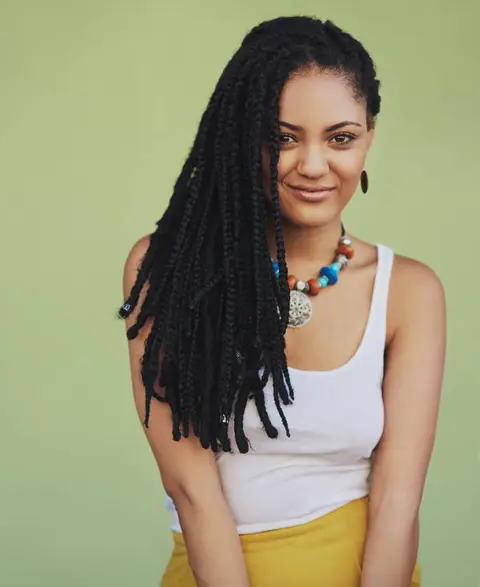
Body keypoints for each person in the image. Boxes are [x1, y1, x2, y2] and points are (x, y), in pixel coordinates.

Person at [120, 15, 445, 587]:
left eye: (340, 138)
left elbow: (398, 502)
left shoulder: (410, 292)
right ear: (243, 138)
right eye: (283, 138)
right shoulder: (170, 269)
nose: (314, 165)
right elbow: (192, 490)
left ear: (369, 135)